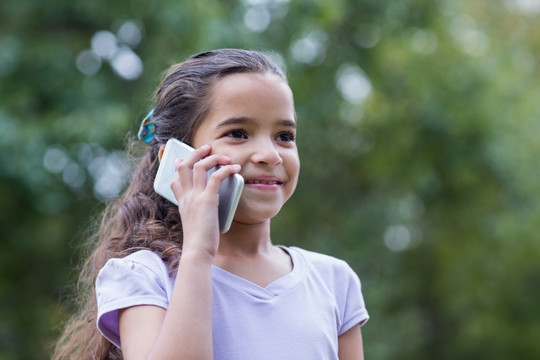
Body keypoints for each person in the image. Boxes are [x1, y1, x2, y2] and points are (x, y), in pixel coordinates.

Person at [53, 48, 369, 360]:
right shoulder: (144, 276)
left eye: (284, 136)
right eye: (238, 133)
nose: (270, 155)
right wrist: (198, 253)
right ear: (176, 159)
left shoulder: (334, 282)